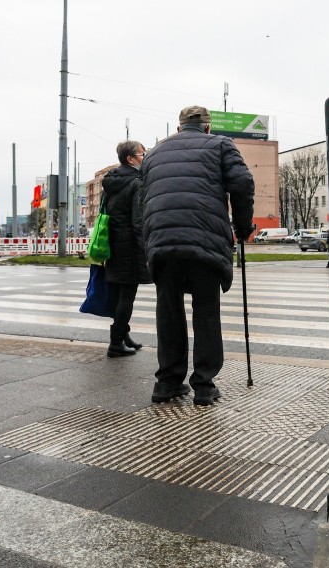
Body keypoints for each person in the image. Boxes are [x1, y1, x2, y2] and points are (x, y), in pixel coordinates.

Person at [141, 105, 255, 406]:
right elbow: (242, 183)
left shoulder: (153, 153)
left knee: (168, 311)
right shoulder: (220, 144)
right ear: (207, 127)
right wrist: (243, 227)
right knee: (205, 311)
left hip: (162, 242)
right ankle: (203, 386)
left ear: (178, 128)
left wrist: (149, 239)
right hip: (204, 239)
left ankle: (167, 383)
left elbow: (144, 200)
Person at [101, 140, 151, 358]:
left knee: (121, 293)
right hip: (129, 246)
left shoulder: (112, 182)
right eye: (142, 154)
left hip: (113, 244)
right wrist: (147, 248)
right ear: (130, 159)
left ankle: (123, 336)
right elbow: (138, 221)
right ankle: (115, 344)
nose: (145, 157)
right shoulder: (136, 183)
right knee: (127, 296)